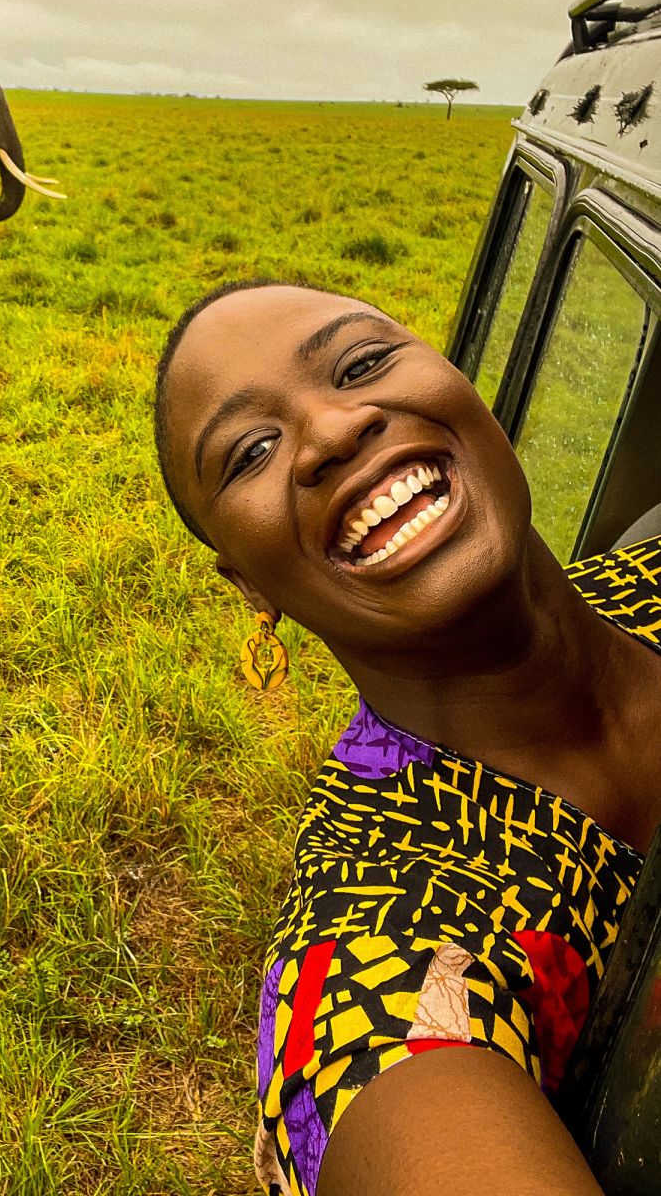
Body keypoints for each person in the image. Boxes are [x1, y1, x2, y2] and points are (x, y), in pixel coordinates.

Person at [152, 280, 661, 1196]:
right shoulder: (368, 952)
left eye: (361, 364)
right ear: (248, 587)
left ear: (459, 386)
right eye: (252, 451)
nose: (335, 432)